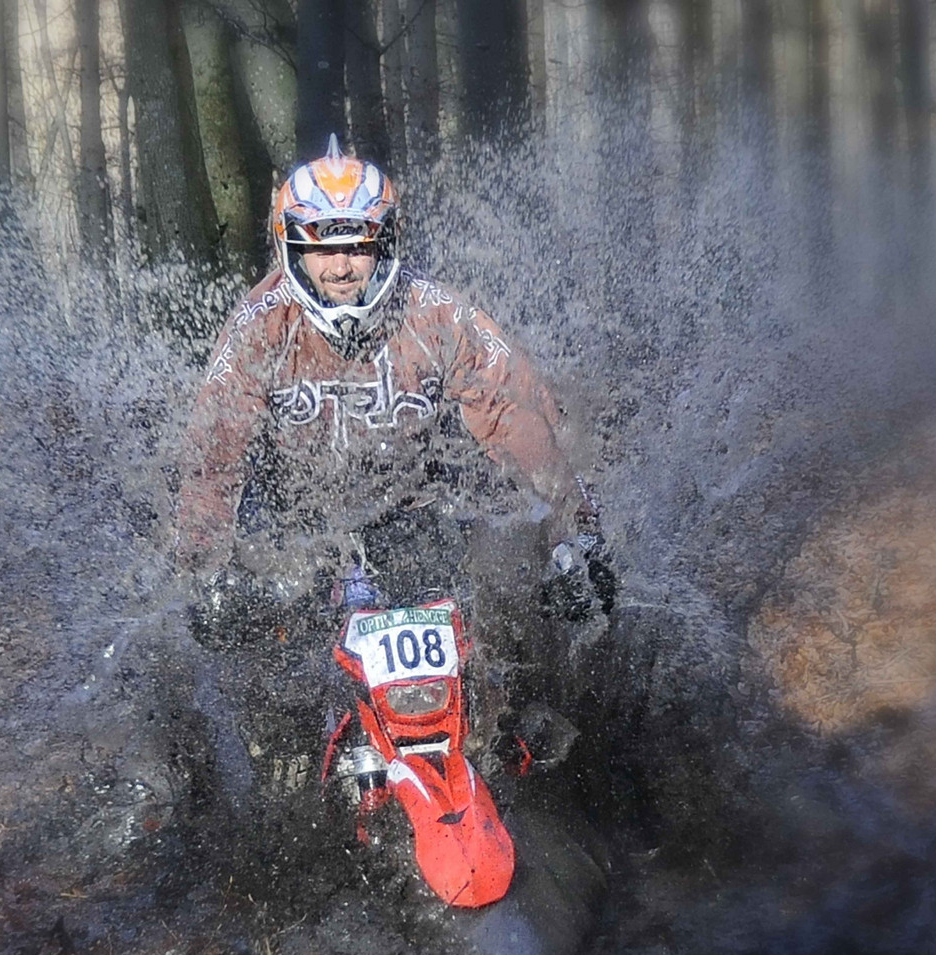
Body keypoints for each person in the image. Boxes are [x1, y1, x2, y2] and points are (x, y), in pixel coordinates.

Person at [171, 136, 615, 787]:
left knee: (481, 635)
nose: (343, 266)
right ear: (293, 248)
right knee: (260, 676)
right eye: (324, 246)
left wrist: (576, 532)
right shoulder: (258, 327)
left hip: (407, 511)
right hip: (294, 524)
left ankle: (499, 757)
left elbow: (522, 419)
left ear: (385, 241)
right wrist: (205, 567)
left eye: (358, 243)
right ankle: (270, 793)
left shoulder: (437, 315)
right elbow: (214, 458)